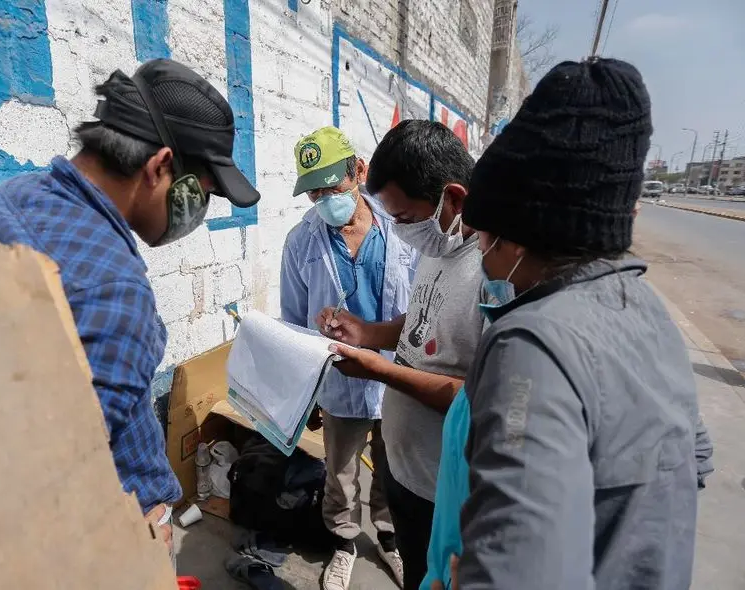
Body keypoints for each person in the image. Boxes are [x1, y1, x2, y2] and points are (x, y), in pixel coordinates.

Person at [0, 59, 260, 555]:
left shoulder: (7, 200)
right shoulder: (116, 293)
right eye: (202, 193)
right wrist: (138, 540)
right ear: (161, 166)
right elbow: (58, 481)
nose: (199, 212)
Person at [443, 57, 700, 589]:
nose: (484, 259)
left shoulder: (530, 348)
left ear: (517, 238)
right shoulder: (647, 313)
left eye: (484, 239)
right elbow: (692, 460)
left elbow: (518, 573)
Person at [316, 120, 484, 590]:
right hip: (405, 472)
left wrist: (383, 372)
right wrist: (368, 332)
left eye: (406, 218)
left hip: (445, 492)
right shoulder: (439, 243)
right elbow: (424, 321)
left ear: (452, 199)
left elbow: (482, 398)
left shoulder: (493, 269)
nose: (400, 231)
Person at [281, 126, 415, 590]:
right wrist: (307, 394)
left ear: (358, 171)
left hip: (398, 378)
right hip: (338, 384)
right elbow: (295, 322)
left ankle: (390, 538)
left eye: (331, 187)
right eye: (314, 192)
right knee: (340, 473)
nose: (324, 200)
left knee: (395, 466)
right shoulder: (301, 243)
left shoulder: (402, 228)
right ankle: (343, 542)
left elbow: (421, 305)